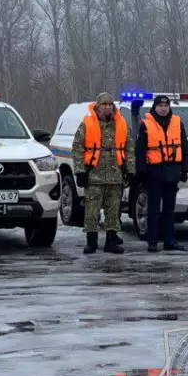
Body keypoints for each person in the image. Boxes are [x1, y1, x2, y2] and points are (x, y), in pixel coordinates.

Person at [72, 92, 134, 254]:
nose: (107, 107)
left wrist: (130, 170)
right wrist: (80, 171)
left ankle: (110, 242)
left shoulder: (121, 124)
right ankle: (91, 242)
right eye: (103, 104)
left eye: (109, 104)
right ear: (97, 106)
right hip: (93, 175)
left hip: (115, 175)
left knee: (113, 211)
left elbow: (129, 148)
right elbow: (77, 148)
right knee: (92, 211)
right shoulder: (87, 123)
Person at [135, 95, 188, 252]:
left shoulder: (177, 123)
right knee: (153, 209)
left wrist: (184, 169)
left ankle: (169, 241)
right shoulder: (146, 124)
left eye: (166, 106)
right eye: (160, 106)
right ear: (155, 107)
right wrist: (142, 172)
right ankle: (152, 241)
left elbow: (185, 147)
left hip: (172, 170)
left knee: (169, 209)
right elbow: (140, 151)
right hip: (154, 171)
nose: (163, 108)